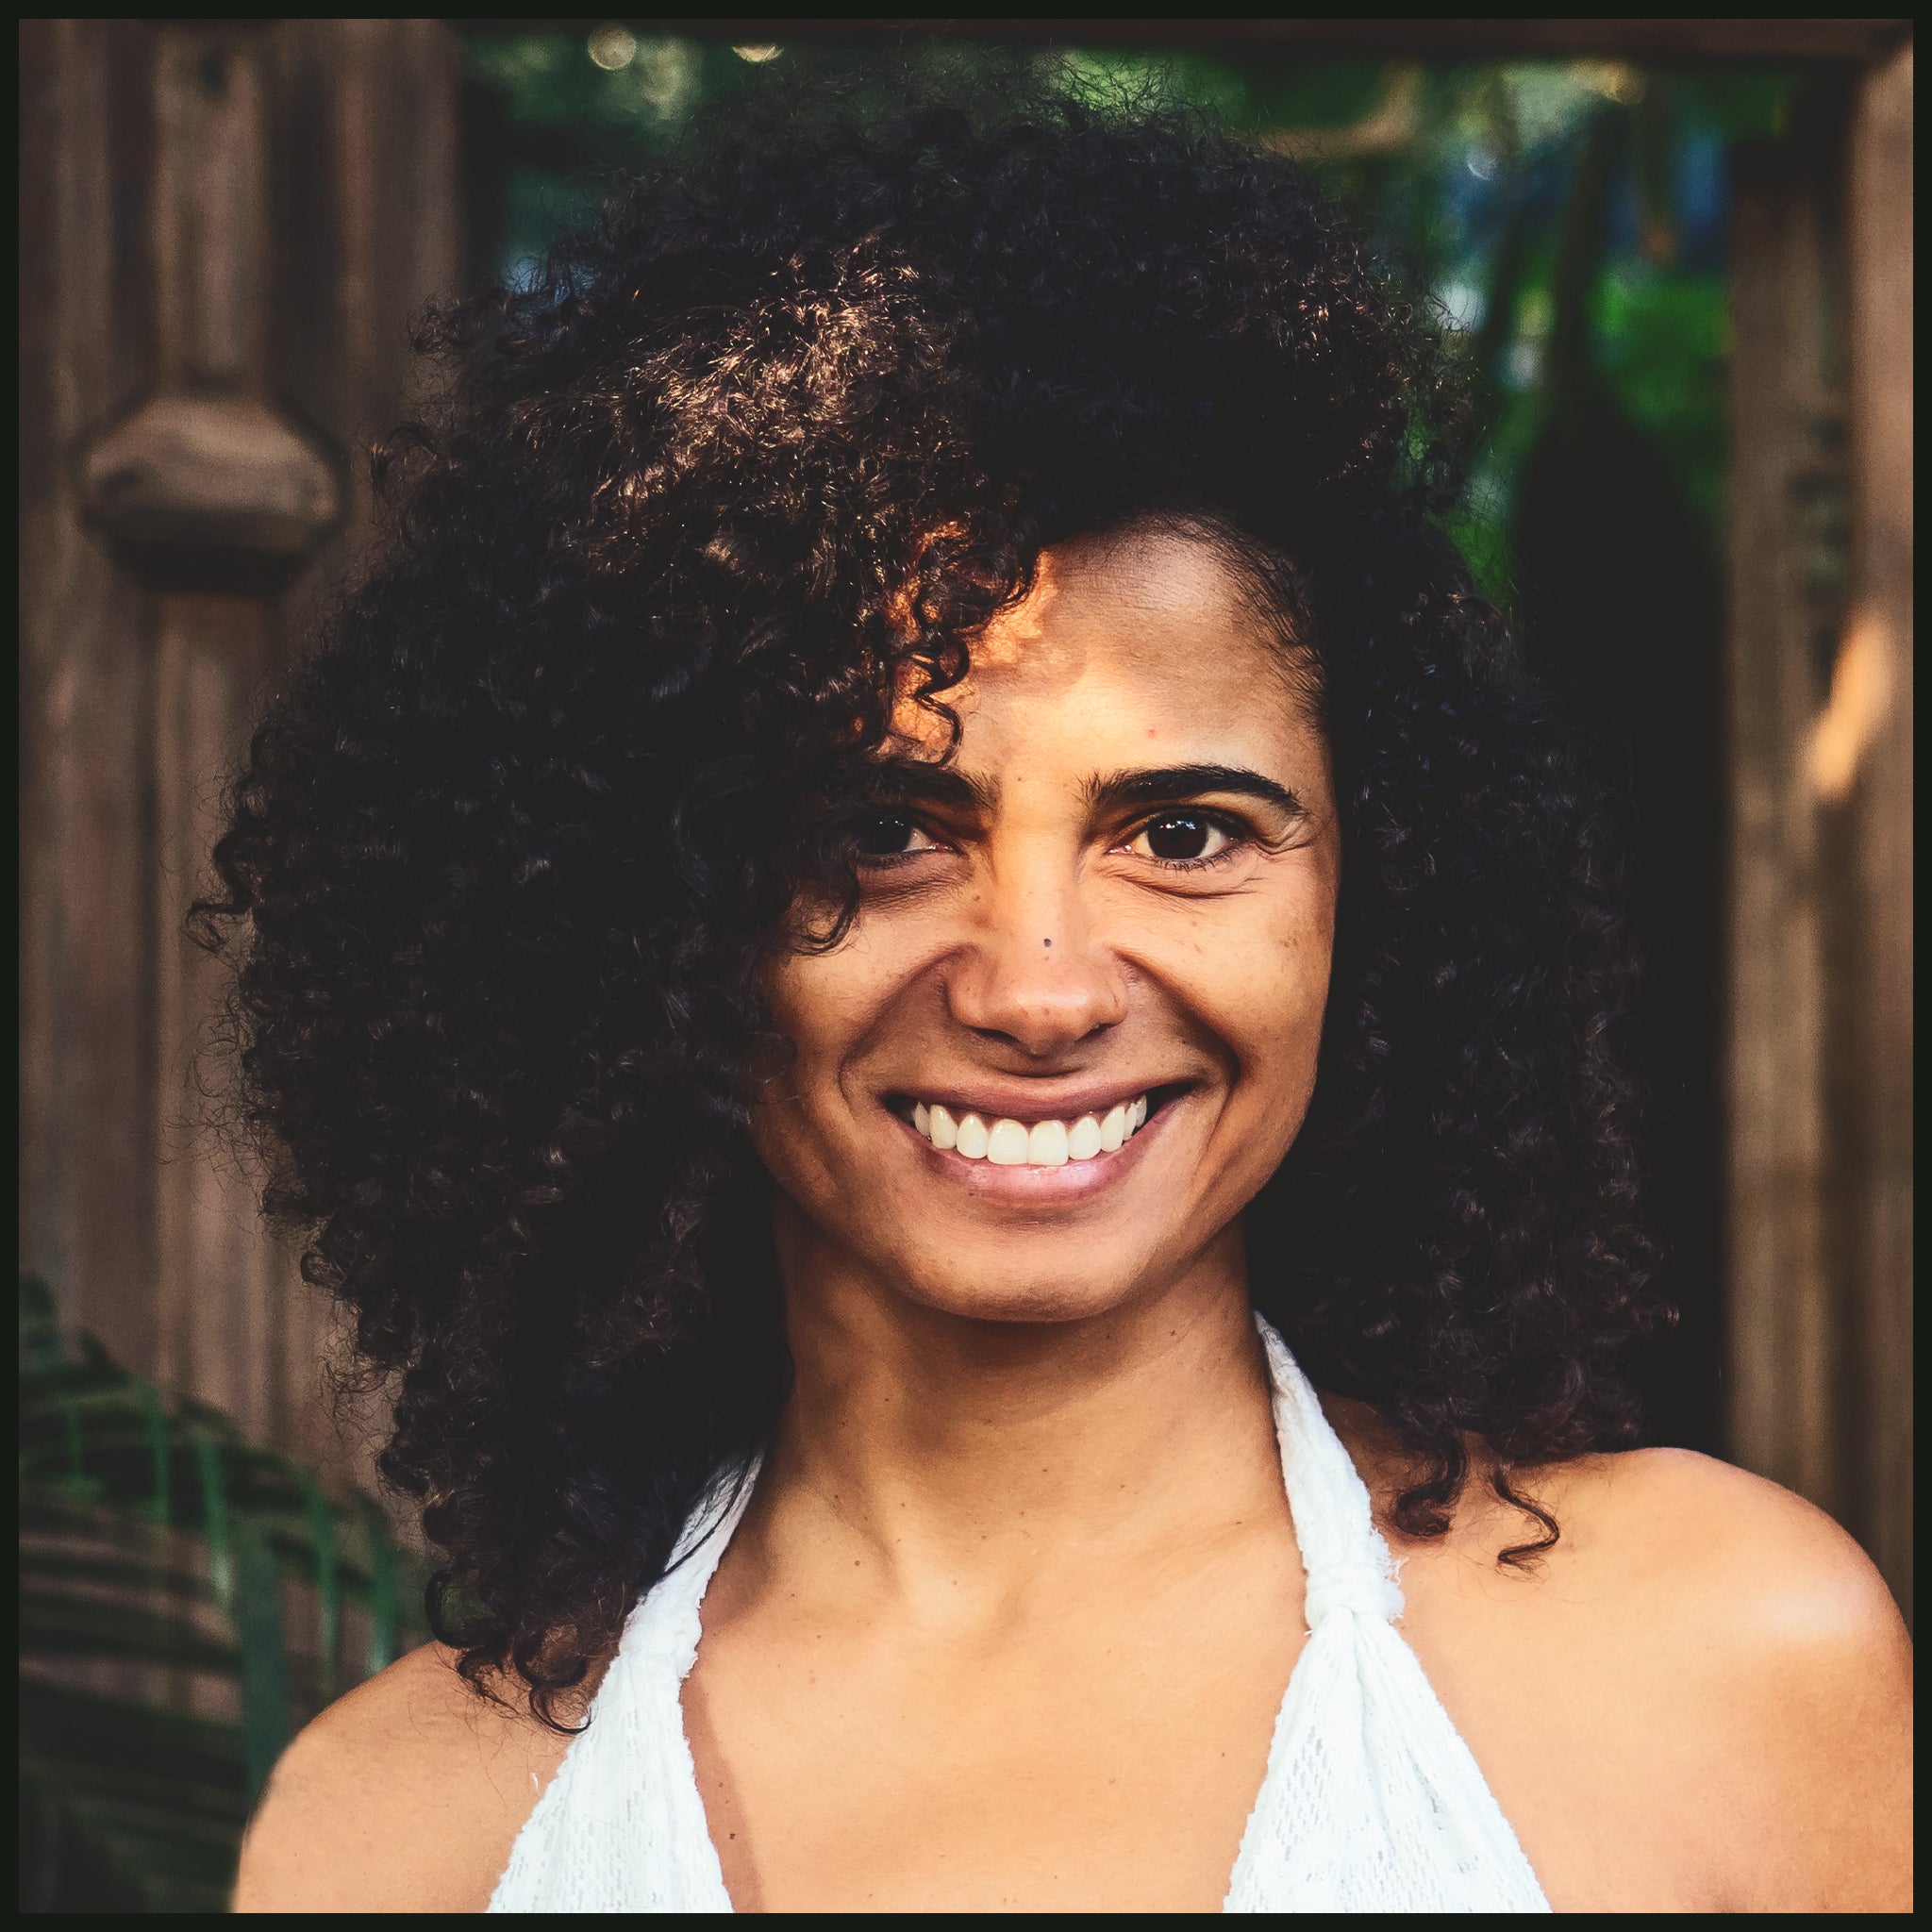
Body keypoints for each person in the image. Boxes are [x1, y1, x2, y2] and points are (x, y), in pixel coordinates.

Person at [220, 85, 1910, 1912]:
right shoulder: (396, 1837)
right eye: (883, 831)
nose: (1039, 986)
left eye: (1184, 833)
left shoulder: (1722, 1672)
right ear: (652, 912)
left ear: (1373, 893)